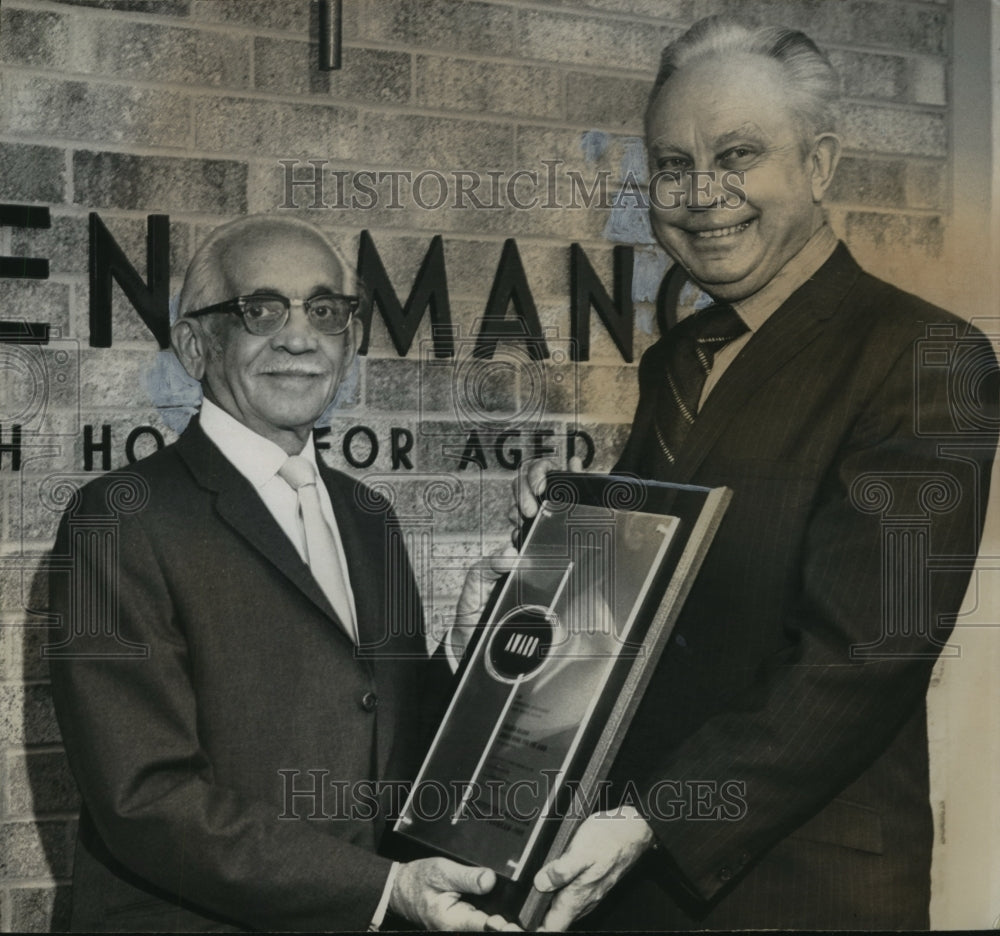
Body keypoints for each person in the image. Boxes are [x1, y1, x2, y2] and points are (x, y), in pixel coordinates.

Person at [506, 16, 999, 931]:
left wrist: (660, 817)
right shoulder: (680, 358)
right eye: (671, 165)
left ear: (818, 165)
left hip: (796, 885)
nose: (702, 194)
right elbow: (666, 604)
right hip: (635, 877)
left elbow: (865, 653)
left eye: (738, 155)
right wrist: (572, 528)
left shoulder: (928, 355)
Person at [47, 215, 515, 932]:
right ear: (197, 345)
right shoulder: (116, 520)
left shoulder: (368, 516)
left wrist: (464, 650)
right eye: (260, 310)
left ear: (349, 343)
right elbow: (143, 799)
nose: (299, 337)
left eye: (325, 312)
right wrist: (383, 891)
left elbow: (393, 746)